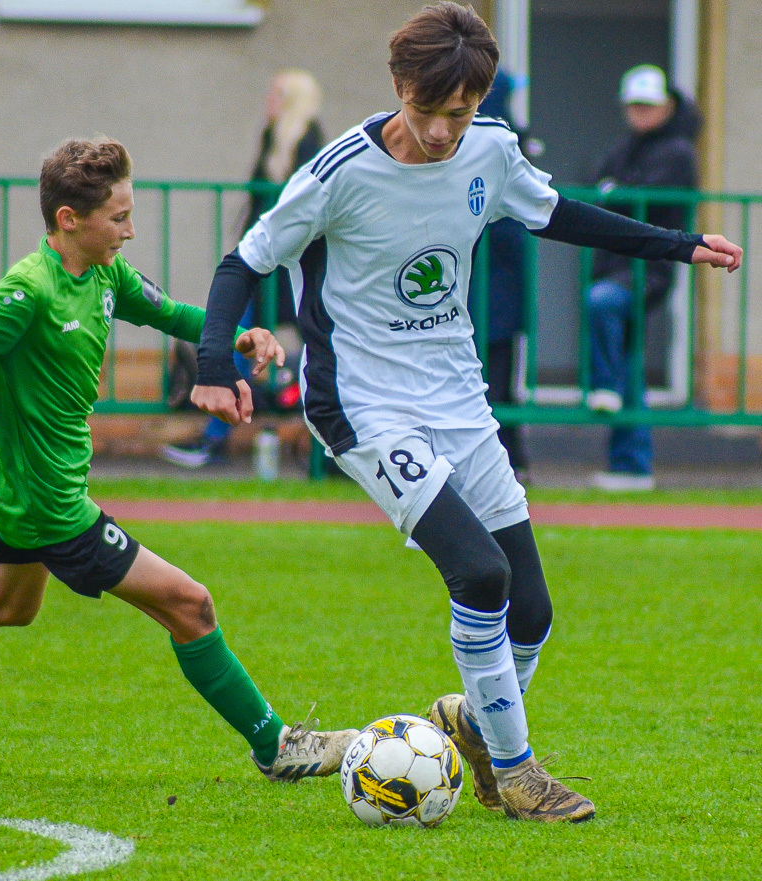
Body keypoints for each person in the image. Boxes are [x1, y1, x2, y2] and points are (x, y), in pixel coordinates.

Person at [191, 3, 741, 822]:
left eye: (461, 111)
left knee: (533, 610)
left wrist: (679, 244)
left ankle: (471, 724)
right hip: (362, 403)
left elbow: (560, 213)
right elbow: (245, 259)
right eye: (429, 110)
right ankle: (517, 773)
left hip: (456, 395)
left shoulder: (489, 148)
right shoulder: (338, 172)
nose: (444, 131)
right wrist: (212, 365)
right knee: (481, 574)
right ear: (398, 87)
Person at [0, 137, 358, 782]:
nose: (131, 231)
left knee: (7, 607)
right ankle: (277, 746)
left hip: (19, 480)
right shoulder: (29, 293)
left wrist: (234, 337)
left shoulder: (105, 273)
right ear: (69, 220)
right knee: (190, 604)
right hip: (46, 500)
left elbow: (168, 313)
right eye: (119, 218)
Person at [161, 69, 324, 468]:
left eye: (276, 93)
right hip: (261, 265)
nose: (269, 99)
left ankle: (321, 445)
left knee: (319, 346)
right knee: (234, 338)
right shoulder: (274, 137)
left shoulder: (308, 140)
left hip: (291, 267)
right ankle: (215, 437)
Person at [585, 64, 701, 491]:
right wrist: (614, 192)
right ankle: (631, 464)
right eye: (634, 105)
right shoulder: (623, 148)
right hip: (616, 262)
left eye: (648, 105)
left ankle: (604, 387)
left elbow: (633, 200)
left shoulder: (678, 151)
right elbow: (595, 184)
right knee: (629, 360)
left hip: (649, 267)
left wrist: (616, 192)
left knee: (603, 302)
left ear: (667, 106)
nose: (640, 113)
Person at [471, 67, 532, 480]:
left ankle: (507, 460)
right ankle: (509, 459)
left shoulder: (492, 143)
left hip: (488, 288)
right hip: (491, 288)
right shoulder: (506, 143)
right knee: (495, 377)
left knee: (490, 378)